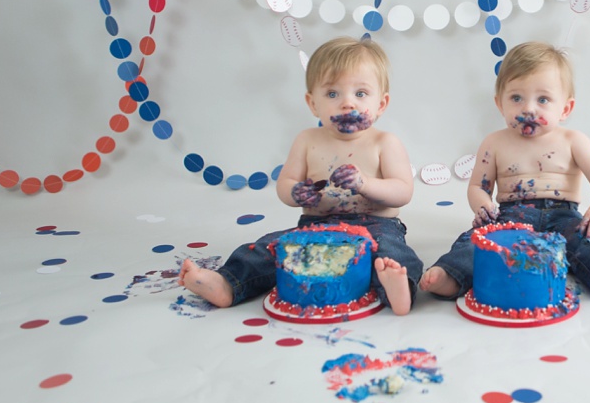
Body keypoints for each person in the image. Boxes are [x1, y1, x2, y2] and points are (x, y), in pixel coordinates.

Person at [179, 35, 423, 315]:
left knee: (395, 257)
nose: (347, 103)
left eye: (360, 93)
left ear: (381, 103)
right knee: (266, 248)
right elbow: (285, 184)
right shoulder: (307, 140)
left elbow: (403, 191)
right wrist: (296, 192)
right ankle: (227, 283)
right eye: (332, 94)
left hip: (376, 226)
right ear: (312, 103)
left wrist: (364, 183)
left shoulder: (384, 142)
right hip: (316, 226)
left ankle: (399, 290)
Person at [419, 41, 590, 300]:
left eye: (543, 99)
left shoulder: (573, 140)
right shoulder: (494, 143)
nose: (528, 108)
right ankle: (450, 275)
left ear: (565, 108)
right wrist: (482, 205)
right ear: (500, 104)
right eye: (516, 98)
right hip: (510, 216)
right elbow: (477, 186)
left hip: (564, 217)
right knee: (478, 242)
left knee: (589, 240)